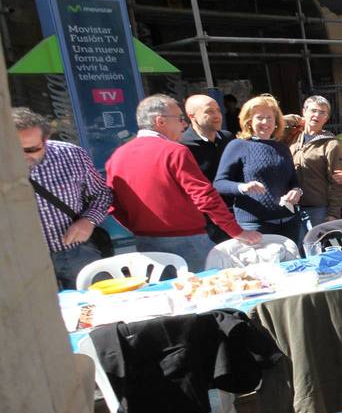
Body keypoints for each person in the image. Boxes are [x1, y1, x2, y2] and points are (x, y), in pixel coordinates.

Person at [105, 95, 260, 270]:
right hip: (189, 242)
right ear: (160, 121)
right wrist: (236, 231)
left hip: (146, 245)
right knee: (207, 292)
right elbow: (204, 195)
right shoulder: (175, 151)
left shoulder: (117, 156)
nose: (184, 124)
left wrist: (139, 228)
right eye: (179, 118)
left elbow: (113, 205)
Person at [14, 106, 113, 289]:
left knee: (96, 311)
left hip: (77, 252)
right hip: (23, 261)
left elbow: (101, 194)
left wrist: (88, 221)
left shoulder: (71, 155)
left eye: (31, 149)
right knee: (39, 316)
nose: (21, 156)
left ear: (46, 140)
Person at [214, 94, 305, 246]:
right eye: (259, 118)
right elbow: (219, 183)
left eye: (269, 118)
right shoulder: (238, 145)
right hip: (255, 226)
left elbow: (294, 181)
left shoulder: (282, 148)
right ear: (249, 121)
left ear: (276, 121)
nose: (265, 122)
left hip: (289, 222)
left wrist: (297, 191)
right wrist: (242, 187)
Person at [289, 95, 342, 232]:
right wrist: (296, 119)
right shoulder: (292, 137)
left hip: (318, 209)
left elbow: (337, 181)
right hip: (291, 206)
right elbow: (277, 122)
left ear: (326, 118)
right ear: (304, 112)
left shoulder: (331, 144)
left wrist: (333, 214)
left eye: (322, 113)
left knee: (315, 248)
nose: (316, 115)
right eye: (313, 110)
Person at [180, 94, 233, 181]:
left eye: (218, 110)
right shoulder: (183, 145)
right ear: (192, 116)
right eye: (209, 111)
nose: (217, 115)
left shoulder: (227, 138)